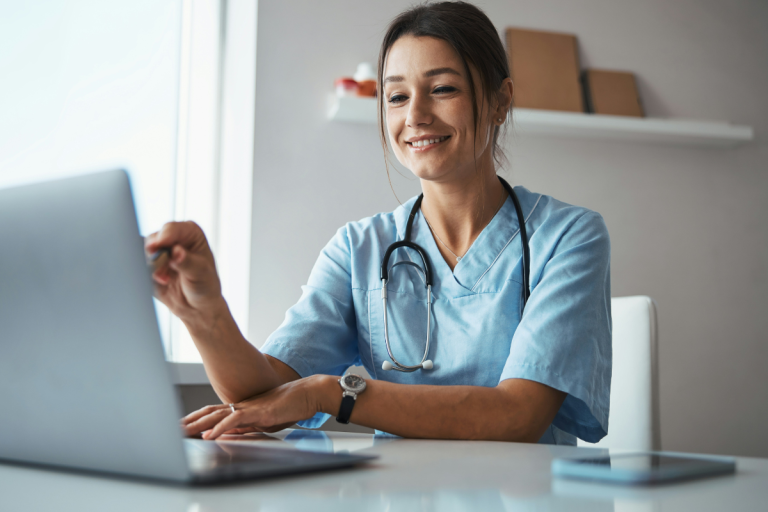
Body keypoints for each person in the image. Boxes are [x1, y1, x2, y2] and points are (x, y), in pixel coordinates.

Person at [145, 1, 611, 445]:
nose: (416, 116)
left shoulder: (569, 236)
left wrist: (335, 394)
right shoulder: (358, 248)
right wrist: (203, 312)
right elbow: (261, 396)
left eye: (443, 89)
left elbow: (519, 416)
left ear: (499, 101)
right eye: (396, 96)